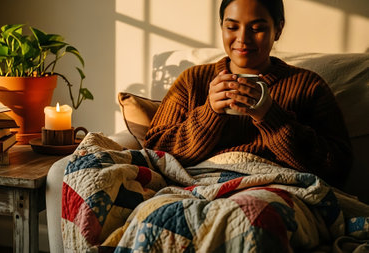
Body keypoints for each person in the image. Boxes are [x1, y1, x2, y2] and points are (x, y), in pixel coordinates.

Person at [144, 0, 352, 187]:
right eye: (232, 27)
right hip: (198, 185)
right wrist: (209, 114)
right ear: (222, 27)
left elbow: (337, 167)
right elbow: (155, 154)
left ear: (278, 30)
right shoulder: (193, 80)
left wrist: (269, 116)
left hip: (275, 187)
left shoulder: (308, 85)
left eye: (257, 28)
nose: (243, 38)